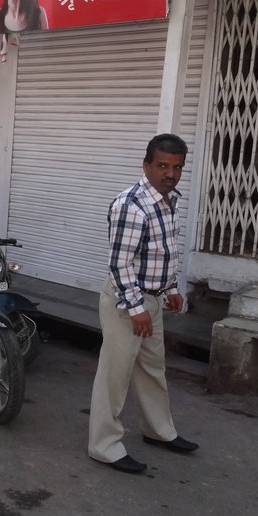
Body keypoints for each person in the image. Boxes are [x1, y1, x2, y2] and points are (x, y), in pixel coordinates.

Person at [88, 134, 199, 475]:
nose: (170, 173)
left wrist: (170, 290)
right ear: (147, 165)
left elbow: (163, 252)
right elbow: (120, 263)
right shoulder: (131, 205)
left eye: (177, 167)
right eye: (163, 165)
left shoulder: (169, 200)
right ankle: (103, 446)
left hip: (151, 299)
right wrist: (136, 308)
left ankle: (158, 431)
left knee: (153, 367)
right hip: (127, 302)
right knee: (115, 375)